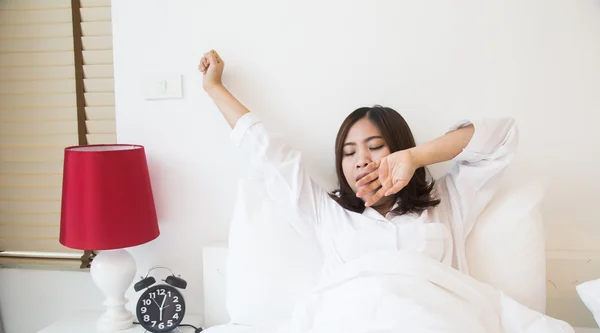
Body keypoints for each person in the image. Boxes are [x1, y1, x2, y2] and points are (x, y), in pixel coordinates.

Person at [199, 49, 518, 274]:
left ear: (399, 149)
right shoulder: (326, 213)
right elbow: (266, 151)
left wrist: (416, 157)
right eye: (349, 153)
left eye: (376, 146)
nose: (362, 161)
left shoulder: (447, 204)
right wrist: (214, 88)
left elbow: (500, 137)